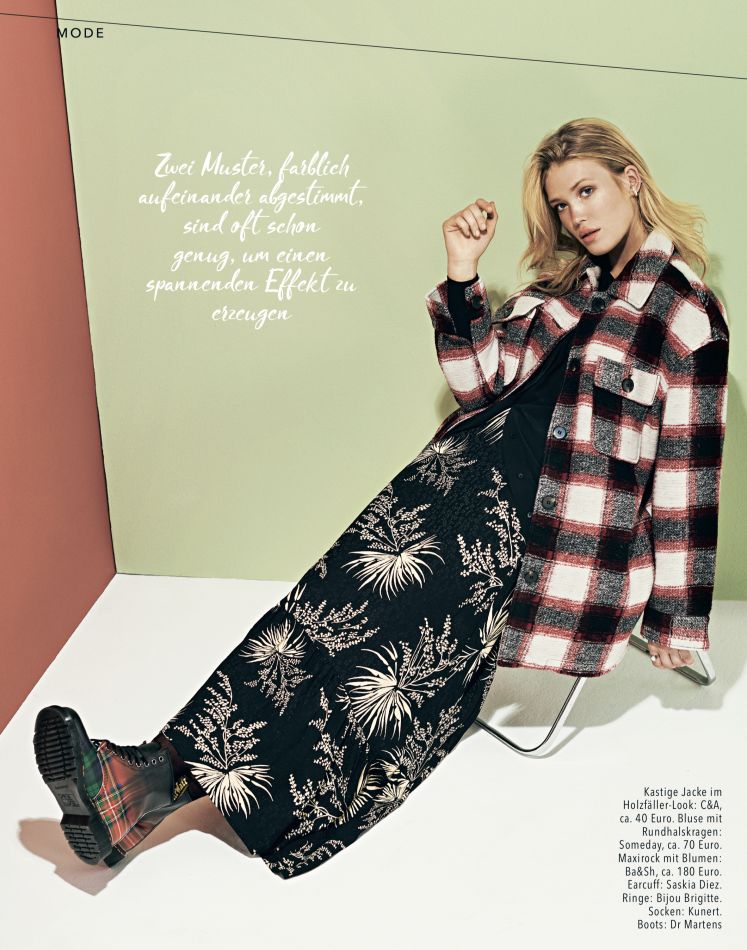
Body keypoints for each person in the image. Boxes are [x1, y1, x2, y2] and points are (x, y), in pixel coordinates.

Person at [33, 117, 730, 880]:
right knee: (315, 612)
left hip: (534, 528)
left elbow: (685, 474)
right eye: (562, 205)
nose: (576, 217)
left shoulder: (686, 313)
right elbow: (478, 385)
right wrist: (461, 272)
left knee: (375, 650)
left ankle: (142, 782)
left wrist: (676, 617)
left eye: (586, 192)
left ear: (630, 179)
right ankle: (141, 786)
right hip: (449, 480)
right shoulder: (561, 289)